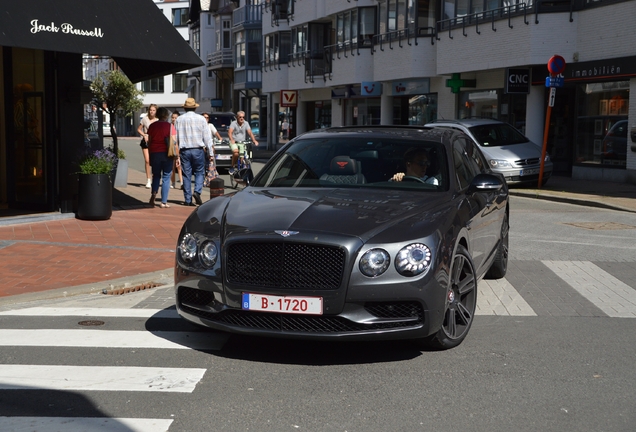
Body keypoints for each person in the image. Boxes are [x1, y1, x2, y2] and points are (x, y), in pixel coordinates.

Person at [174, 98, 214, 206]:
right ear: (195, 107)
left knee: (186, 175)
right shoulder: (201, 119)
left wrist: (176, 155)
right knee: (199, 172)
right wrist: (211, 153)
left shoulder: (179, 119)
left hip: (184, 151)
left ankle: (188, 200)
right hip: (198, 149)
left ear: (185, 108)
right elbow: (207, 138)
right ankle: (197, 191)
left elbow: (175, 139)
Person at [146, 107, 177, 208]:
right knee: (166, 176)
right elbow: (173, 141)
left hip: (155, 152)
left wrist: (150, 153)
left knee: (156, 175)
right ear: (166, 115)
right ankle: (164, 201)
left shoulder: (152, 126)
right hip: (166, 153)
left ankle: (153, 193)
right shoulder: (170, 126)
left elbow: (149, 141)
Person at [137, 104, 158, 189]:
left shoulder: (158, 120)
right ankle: (148, 180)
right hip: (146, 142)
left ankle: (154, 178)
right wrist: (144, 135)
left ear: (156, 111)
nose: (151, 112)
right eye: (150, 110)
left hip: (155, 142)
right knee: (147, 160)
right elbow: (139, 129)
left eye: (153, 110)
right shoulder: (145, 119)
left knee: (154, 161)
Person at [170, 111, 183, 189]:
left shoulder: (180, 126)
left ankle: (182, 182)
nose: (174, 119)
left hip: (180, 148)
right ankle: (173, 182)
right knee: (172, 166)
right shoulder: (170, 126)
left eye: (176, 118)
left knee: (179, 166)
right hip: (172, 148)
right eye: (173, 117)